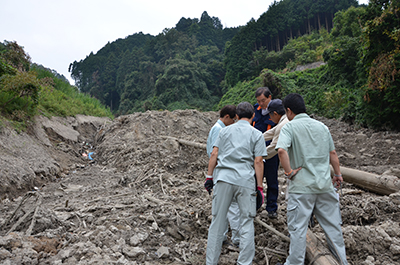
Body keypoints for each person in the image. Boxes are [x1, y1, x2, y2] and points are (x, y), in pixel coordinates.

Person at [275, 93, 348, 265]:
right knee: (334, 229)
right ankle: (342, 262)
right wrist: (337, 175)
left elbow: (281, 151)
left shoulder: (290, 127)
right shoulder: (322, 127)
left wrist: (289, 172)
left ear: (289, 111)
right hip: (324, 186)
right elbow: (333, 153)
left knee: (298, 230)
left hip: (301, 188)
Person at [205, 102, 267, 265]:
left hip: (224, 178)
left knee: (217, 222)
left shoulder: (224, 132)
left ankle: (211, 261)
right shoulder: (257, 134)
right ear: (253, 116)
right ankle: (244, 262)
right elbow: (259, 161)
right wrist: (259, 187)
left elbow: (214, 153)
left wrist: (209, 177)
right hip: (245, 180)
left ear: (236, 116)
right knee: (246, 222)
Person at [205, 105, 241, 246]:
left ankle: (223, 236)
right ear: (226, 117)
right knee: (231, 206)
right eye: (232, 120)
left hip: (220, 171)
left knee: (223, 206)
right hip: (222, 171)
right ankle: (235, 238)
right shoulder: (219, 130)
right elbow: (214, 153)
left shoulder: (219, 128)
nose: (233, 123)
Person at [252, 87, 279, 218]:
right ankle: (255, 205)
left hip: (271, 152)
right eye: (259, 101)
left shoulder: (277, 112)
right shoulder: (255, 110)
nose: (261, 104)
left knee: (272, 179)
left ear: (270, 97)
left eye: (263, 100)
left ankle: (272, 208)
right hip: (255, 151)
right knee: (254, 179)